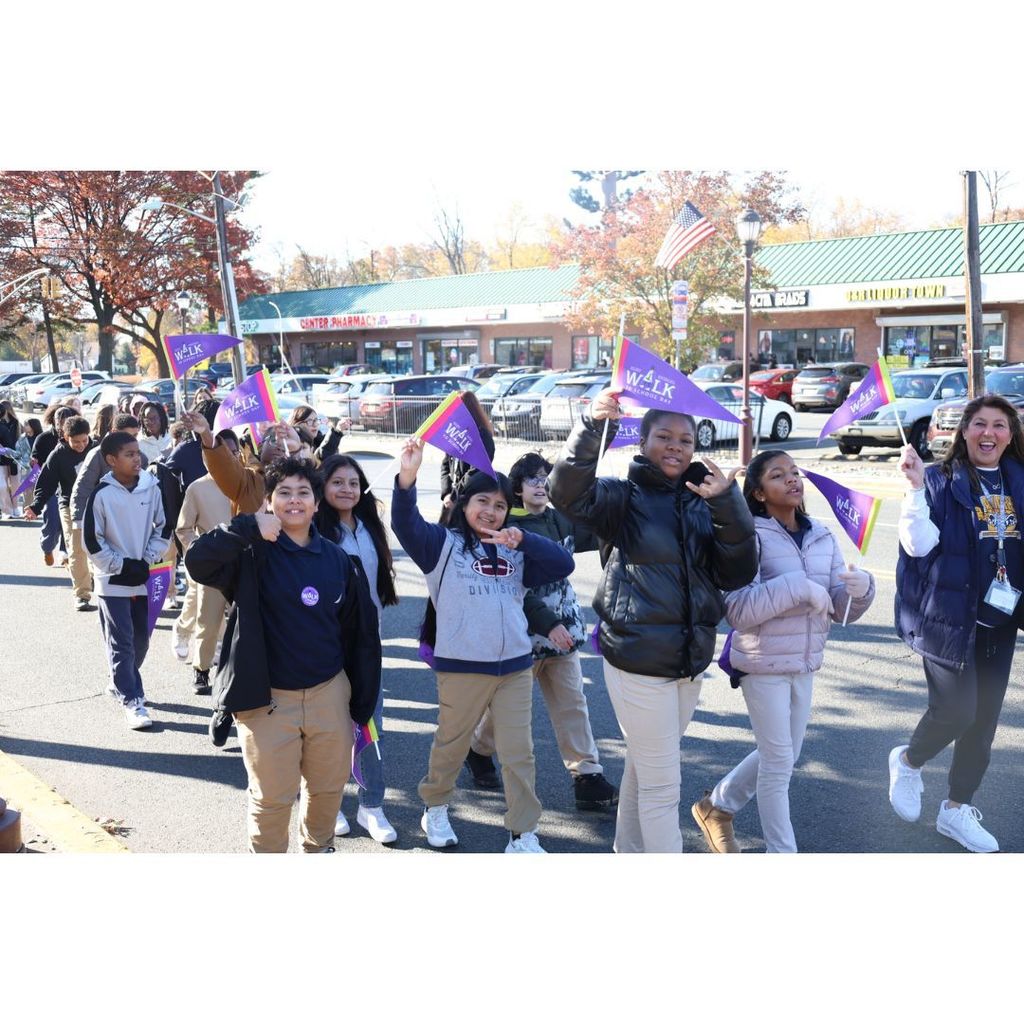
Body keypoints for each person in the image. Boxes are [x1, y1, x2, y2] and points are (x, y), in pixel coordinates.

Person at [548, 391, 758, 853]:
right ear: (642, 442)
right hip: (638, 662)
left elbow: (738, 571)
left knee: (646, 770)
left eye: (686, 439)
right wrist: (588, 428)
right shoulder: (623, 496)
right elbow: (565, 493)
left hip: (688, 663)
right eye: (663, 436)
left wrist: (728, 503)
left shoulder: (706, 499)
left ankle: (629, 852)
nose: (675, 446)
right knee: (664, 788)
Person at [184, 457, 382, 854]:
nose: (294, 501)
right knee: (272, 799)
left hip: (329, 694)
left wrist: (359, 704)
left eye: (303, 492)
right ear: (269, 502)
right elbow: (198, 562)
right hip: (267, 700)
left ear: (316, 503)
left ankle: (318, 848)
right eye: (284, 493)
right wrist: (245, 527)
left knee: (327, 792)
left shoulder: (339, 560)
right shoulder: (250, 553)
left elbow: (359, 636)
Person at [391, 439, 575, 853]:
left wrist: (523, 540)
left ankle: (523, 832)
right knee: (452, 744)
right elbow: (405, 525)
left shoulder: (516, 548)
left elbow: (564, 565)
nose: (490, 511)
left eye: (499, 505)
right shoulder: (441, 544)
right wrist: (407, 477)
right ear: (463, 503)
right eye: (482, 502)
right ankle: (435, 806)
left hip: (514, 665)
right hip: (461, 665)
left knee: (519, 754)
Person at [691, 451, 875, 853]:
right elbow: (738, 610)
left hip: (805, 662)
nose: (792, 480)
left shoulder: (821, 534)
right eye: (778, 475)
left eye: (794, 472)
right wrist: (797, 587)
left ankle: (717, 806)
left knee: (783, 754)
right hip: (762, 663)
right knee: (778, 765)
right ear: (757, 492)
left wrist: (862, 590)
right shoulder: (748, 535)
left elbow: (838, 609)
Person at [890, 395, 1024, 853]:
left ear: (1011, 434)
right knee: (956, 711)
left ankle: (956, 810)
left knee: (983, 723)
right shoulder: (940, 481)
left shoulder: (1019, 479)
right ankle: (908, 760)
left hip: (1000, 621)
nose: (990, 433)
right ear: (963, 431)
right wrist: (913, 488)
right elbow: (918, 544)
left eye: (1000, 425)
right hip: (949, 619)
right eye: (980, 424)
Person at [465, 452, 620, 811]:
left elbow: (596, 525)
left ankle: (587, 776)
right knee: (503, 710)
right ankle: (478, 750)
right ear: (517, 489)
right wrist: (548, 626)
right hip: (525, 635)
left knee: (572, 704)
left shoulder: (558, 519)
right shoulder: (506, 532)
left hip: (563, 631)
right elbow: (517, 590)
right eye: (532, 479)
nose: (540, 485)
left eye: (545, 478)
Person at [316, 454, 400, 845]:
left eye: (353, 482)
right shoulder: (315, 530)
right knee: (328, 732)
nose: (346, 489)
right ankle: (325, 804)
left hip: (369, 646)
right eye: (337, 482)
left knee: (370, 726)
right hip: (326, 647)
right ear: (323, 487)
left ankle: (372, 805)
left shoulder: (369, 526)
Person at [82, 430, 169, 729]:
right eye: (129, 454)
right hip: (112, 580)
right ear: (111, 460)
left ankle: (120, 680)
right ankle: (133, 700)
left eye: (137, 453)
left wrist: (145, 559)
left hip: (143, 576)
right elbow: (92, 543)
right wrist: (120, 565)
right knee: (122, 643)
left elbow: (164, 527)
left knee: (141, 641)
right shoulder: (101, 494)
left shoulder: (151, 487)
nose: (137, 458)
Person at [172, 429, 239, 695]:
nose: (231, 458)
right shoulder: (198, 488)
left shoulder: (248, 482)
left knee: (247, 621)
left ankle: (243, 669)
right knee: (208, 621)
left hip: (245, 565)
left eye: (234, 453)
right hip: (212, 569)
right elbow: (183, 529)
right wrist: (200, 553)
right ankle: (201, 670)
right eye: (224, 453)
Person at [25, 415, 96, 611]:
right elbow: (46, 483)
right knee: (76, 549)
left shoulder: (97, 449)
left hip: (98, 503)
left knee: (100, 546)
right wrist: (35, 506)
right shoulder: (57, 455)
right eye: (76, 441)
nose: (81, 445)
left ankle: (100, 581)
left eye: (85, 440)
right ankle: (82, 595)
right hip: (70, 505)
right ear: (65, 436)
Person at [71, 414, 149, 528]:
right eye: (127, 435)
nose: (131, 439)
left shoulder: (142, 458)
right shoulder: (98, 455)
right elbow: (83, 487)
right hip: (100, 518)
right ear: (114, 432)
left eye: (135, 435)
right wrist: (78, 519)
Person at [31, 404, 75, 566]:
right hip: (50, 486)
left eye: (65, 419)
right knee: (52, 522)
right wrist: (34, 463)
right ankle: (47, 547)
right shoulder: (43, 438)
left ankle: (65, 553)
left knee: (69, 523)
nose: (61, 422)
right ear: (53, 419)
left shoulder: (75, 438)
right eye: (58, 419)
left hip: (69, 487)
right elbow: (35, 460)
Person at [440, 391, 495, 514]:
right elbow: (445, 466)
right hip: (451, 500)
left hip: (471, 499)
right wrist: (446, 493)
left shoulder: (483, 436)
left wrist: (454, 495)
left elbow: (477, 470)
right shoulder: (456, 433)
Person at [0, 399, 23, 517]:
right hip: (1, 458)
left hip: (15, 458)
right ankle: (7, 510)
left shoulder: (17, 423)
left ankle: (15, 507)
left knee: (15, 485)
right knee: (2, 485)